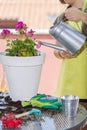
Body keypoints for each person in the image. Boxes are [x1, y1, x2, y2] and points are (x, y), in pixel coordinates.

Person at [54, 0, 87, 106]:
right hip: (68, 82)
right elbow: (56, 48)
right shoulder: (63, 16)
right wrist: (60, 52)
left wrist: (82, 16)